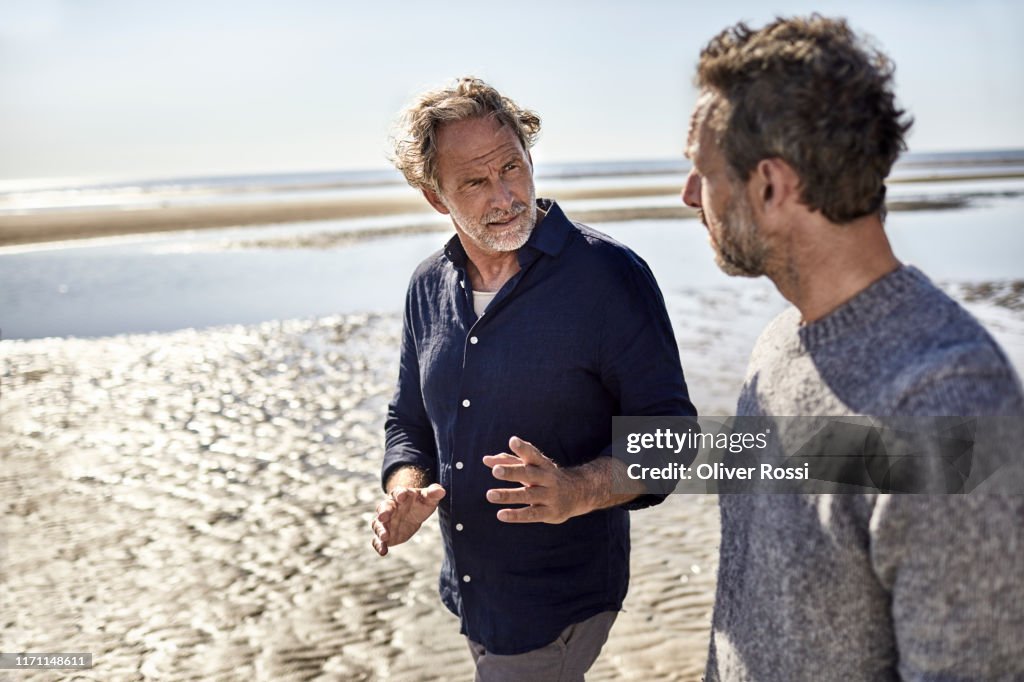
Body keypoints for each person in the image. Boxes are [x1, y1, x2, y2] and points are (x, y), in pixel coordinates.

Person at [680, 15, 1024, 680]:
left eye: (703, 172)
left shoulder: (946, 402)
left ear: (772, 187)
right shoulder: (781, 342)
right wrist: (590, 480)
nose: (690, 194)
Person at [370, 77, 696, 681]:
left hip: (559, 604)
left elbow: (673, 439)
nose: (505, 196)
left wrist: (577, 489)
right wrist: (405, 490)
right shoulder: (427, 285)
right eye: (475, 181)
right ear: (434, 196)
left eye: (513, 168)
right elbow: (408, 421)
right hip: (471, 596)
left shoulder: (609, 277)